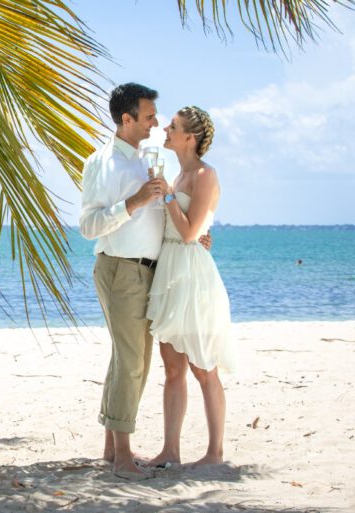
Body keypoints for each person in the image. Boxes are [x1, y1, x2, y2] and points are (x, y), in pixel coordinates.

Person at [79, 83, 166, 479]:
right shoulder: (103, 163)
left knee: (131, 360)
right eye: (148, 117)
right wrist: (136, 201)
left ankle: (113, 449)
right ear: (126, 119)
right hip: (121, 268)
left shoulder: (145, 159)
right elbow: (88, 226)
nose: (155, 124)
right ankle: (123, 459)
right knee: (132, 362)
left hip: (146, 270)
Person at [145, 106, 235, 468]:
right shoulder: (178, 174)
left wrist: (167, 195)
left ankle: (214, 453)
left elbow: (189, 233)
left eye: (173, 126)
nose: (165, 129)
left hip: (193, 276)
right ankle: (171, 451)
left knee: (203, 367)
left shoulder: (204, 175)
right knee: (172, 370)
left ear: (190, 137)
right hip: (168, 270)